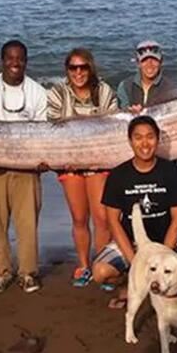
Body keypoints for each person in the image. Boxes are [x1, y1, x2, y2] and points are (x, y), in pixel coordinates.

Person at [92, 115, 177, 308]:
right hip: (131, 242)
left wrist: (163, 256)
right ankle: (127, 285)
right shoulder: (118, 175)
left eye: (150, 137)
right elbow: (113, 222)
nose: (144, 143)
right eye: (138, 137)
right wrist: (137, 265)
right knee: (100, 272)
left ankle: (164, 290)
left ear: (157, 140)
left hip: (166, 240)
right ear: (130, 141)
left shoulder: (173, 173)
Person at [0, 39, 49, 294]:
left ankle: (28, 272)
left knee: (27, 224)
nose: (15, 63)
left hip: (27, 169)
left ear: (26, 61)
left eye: (20, 58)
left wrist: (42, 160)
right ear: (2, 60)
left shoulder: (37, 92)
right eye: (10, 58)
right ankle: (1, 271)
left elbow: (43, 132)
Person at [46, 48, 119, 287]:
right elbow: (52, 129)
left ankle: (102, 264)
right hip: (70, 163)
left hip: (98, 162)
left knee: (102, 219)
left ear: (90, 68)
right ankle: (83, 265)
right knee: (79, 218)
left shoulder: (105, 91)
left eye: (83, 67)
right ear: (67, 70)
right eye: (73, 68)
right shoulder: (58, 93)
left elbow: (114, 126)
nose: (78, 72)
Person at [116, 40, 176, 111]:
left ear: (161, 62)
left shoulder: (171, 88)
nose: (149, 64)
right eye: (144, 60)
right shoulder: (125, 86)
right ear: (138, 63)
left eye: (154, 60)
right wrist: (128, 111)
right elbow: (121, 112)